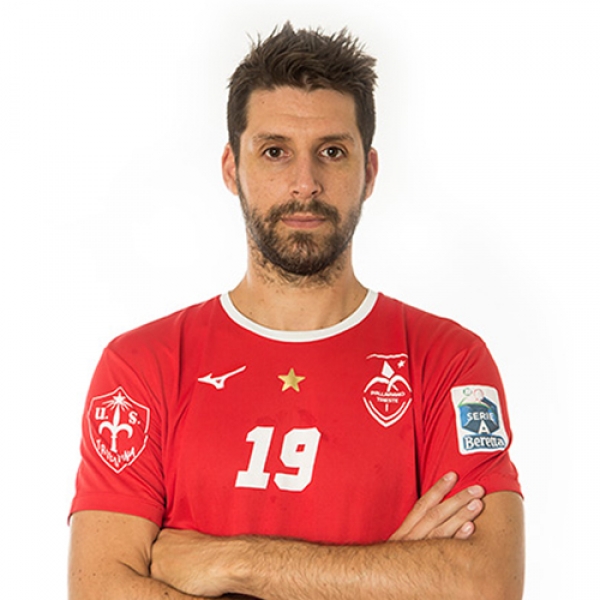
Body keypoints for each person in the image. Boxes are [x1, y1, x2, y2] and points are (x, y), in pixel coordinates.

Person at [68, 23, 524, 600]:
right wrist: (389, 575)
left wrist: (233, 562)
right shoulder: (142, 366)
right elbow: (99, 589)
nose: (305, 184)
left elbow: (487, 583)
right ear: (232, 168)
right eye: (275, 152)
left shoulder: (448, 362)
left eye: (332, 152)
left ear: (369, 171)